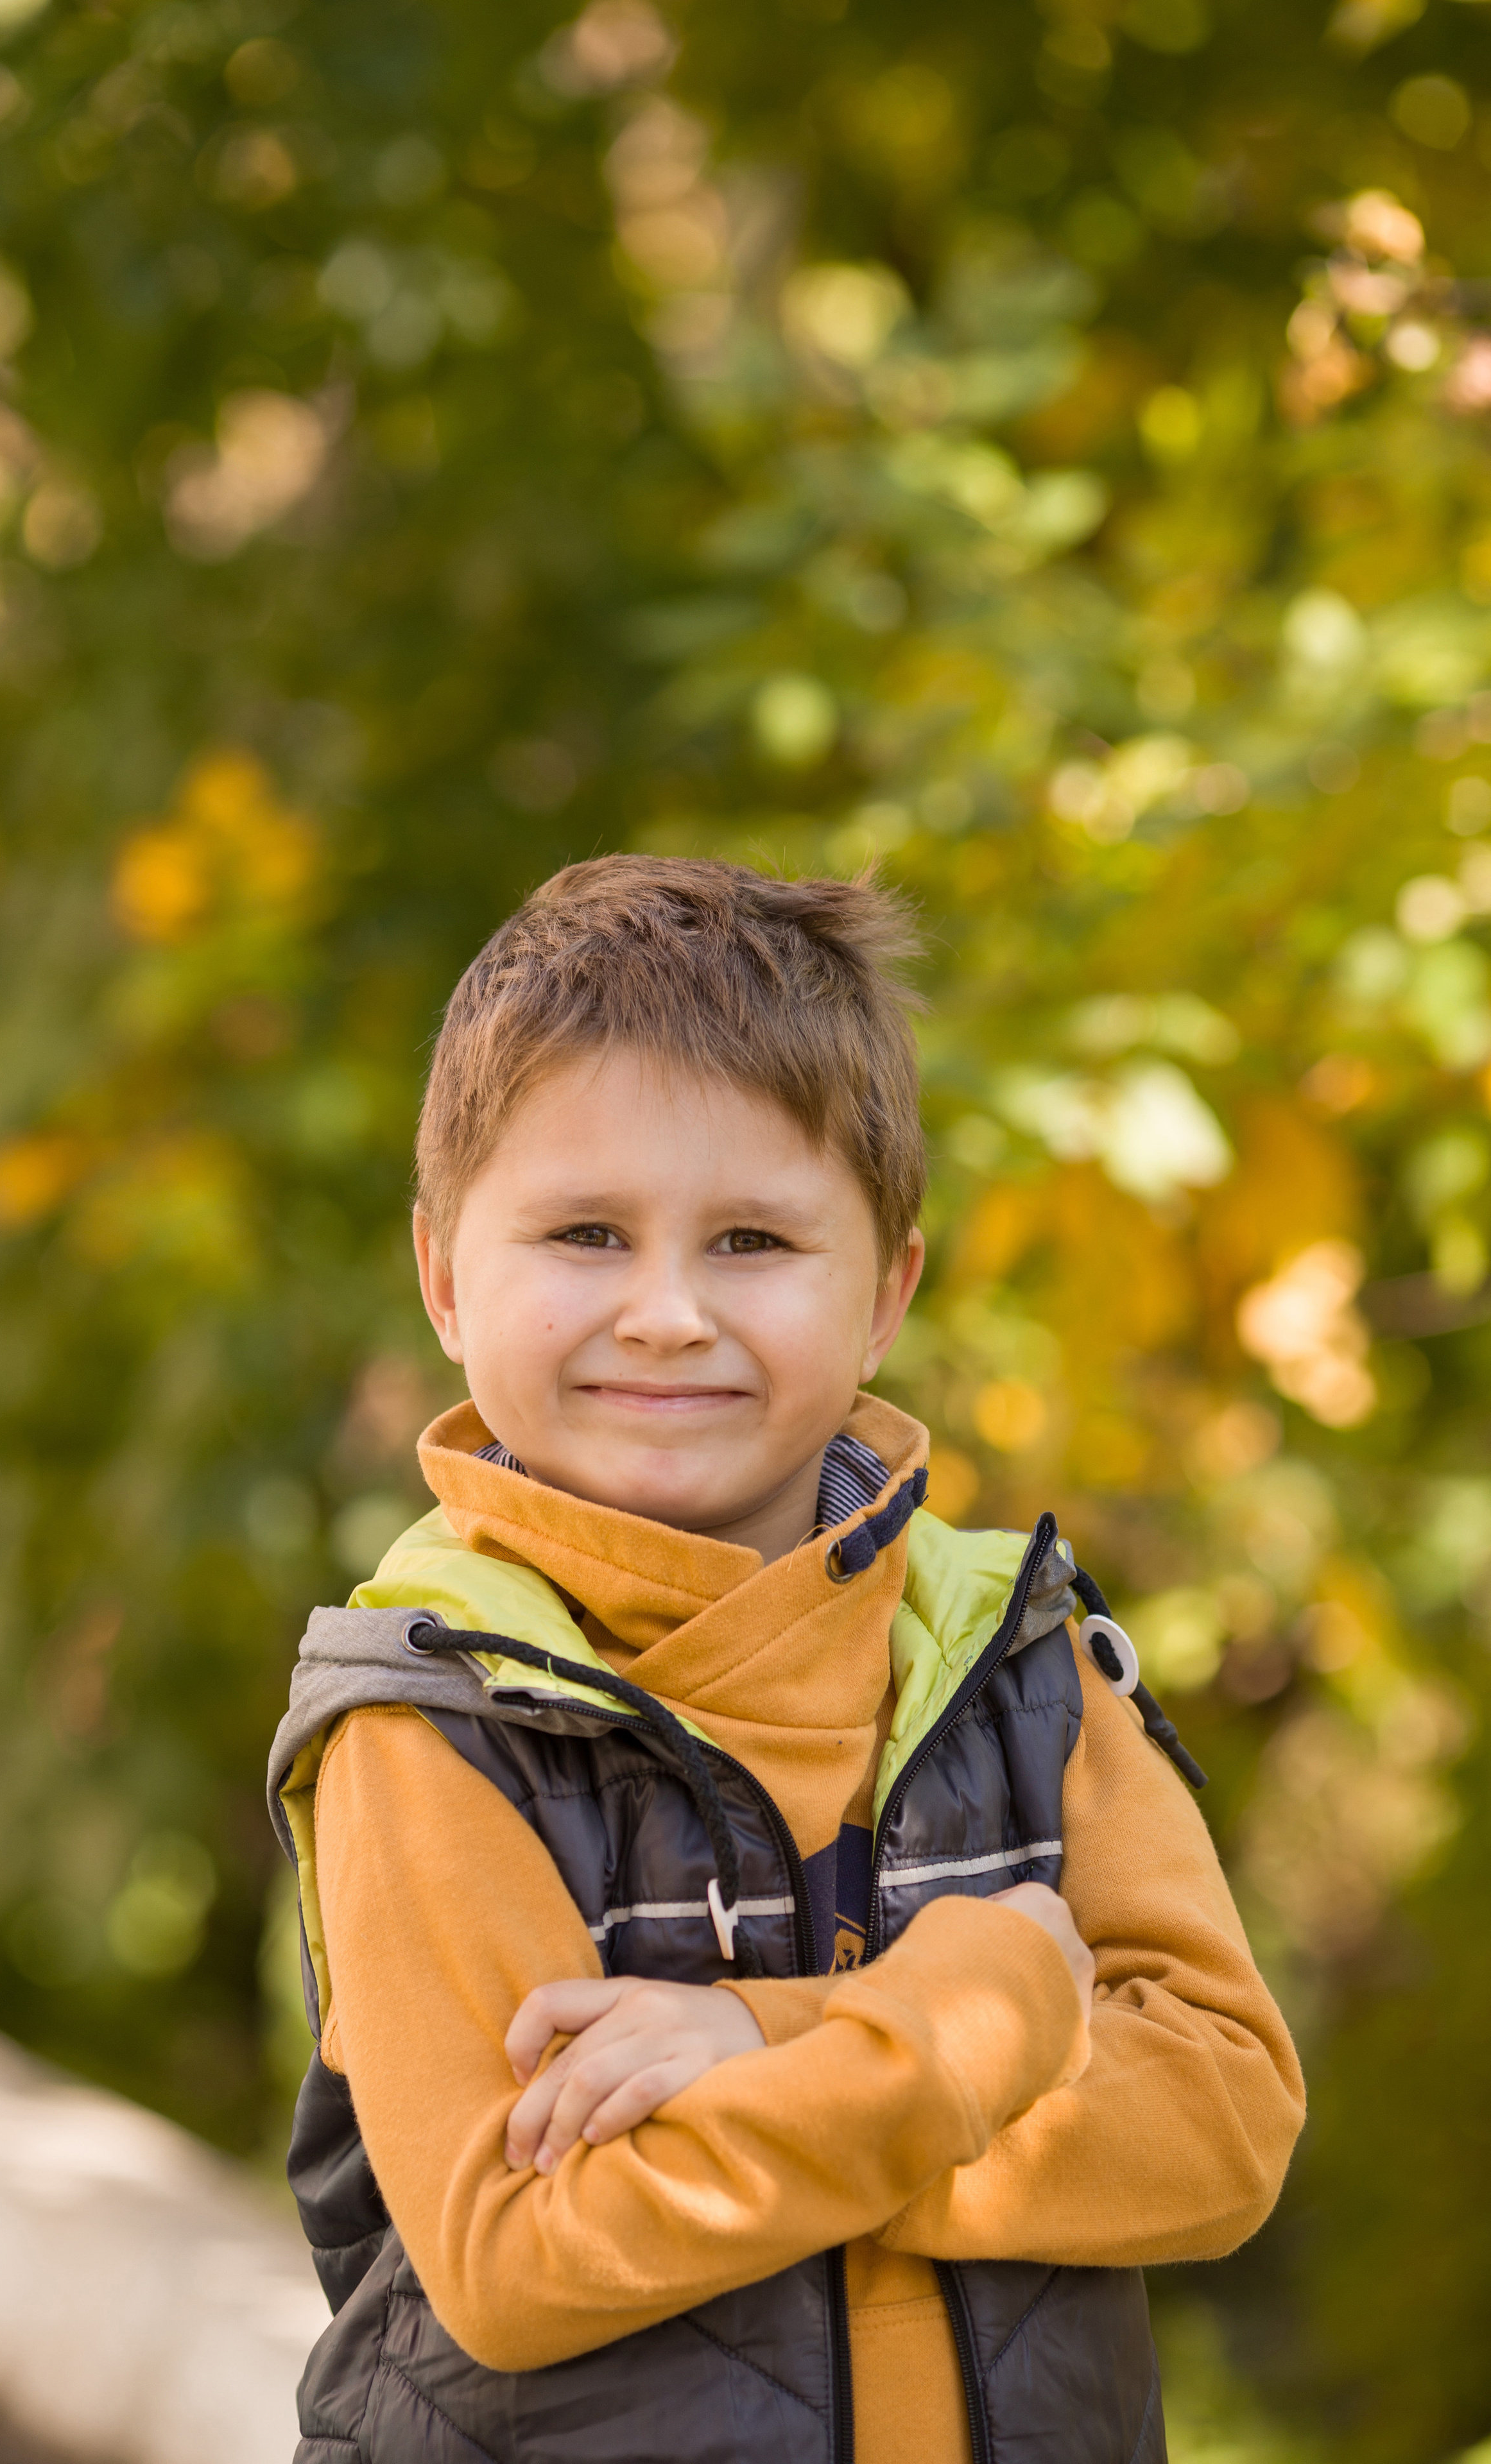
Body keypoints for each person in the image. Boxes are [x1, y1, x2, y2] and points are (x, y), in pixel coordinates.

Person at [268, 855, 1304, 2464]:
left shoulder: (1014, 1656)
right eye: (586, 1233)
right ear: (444, 1278)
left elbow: (1222, 2123)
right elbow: (524, 2250)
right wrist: (987, 2008)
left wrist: (759, 2047)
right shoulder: (433, 1718)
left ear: (885, 1292)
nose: (666, 1313)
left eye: (751, 1239)